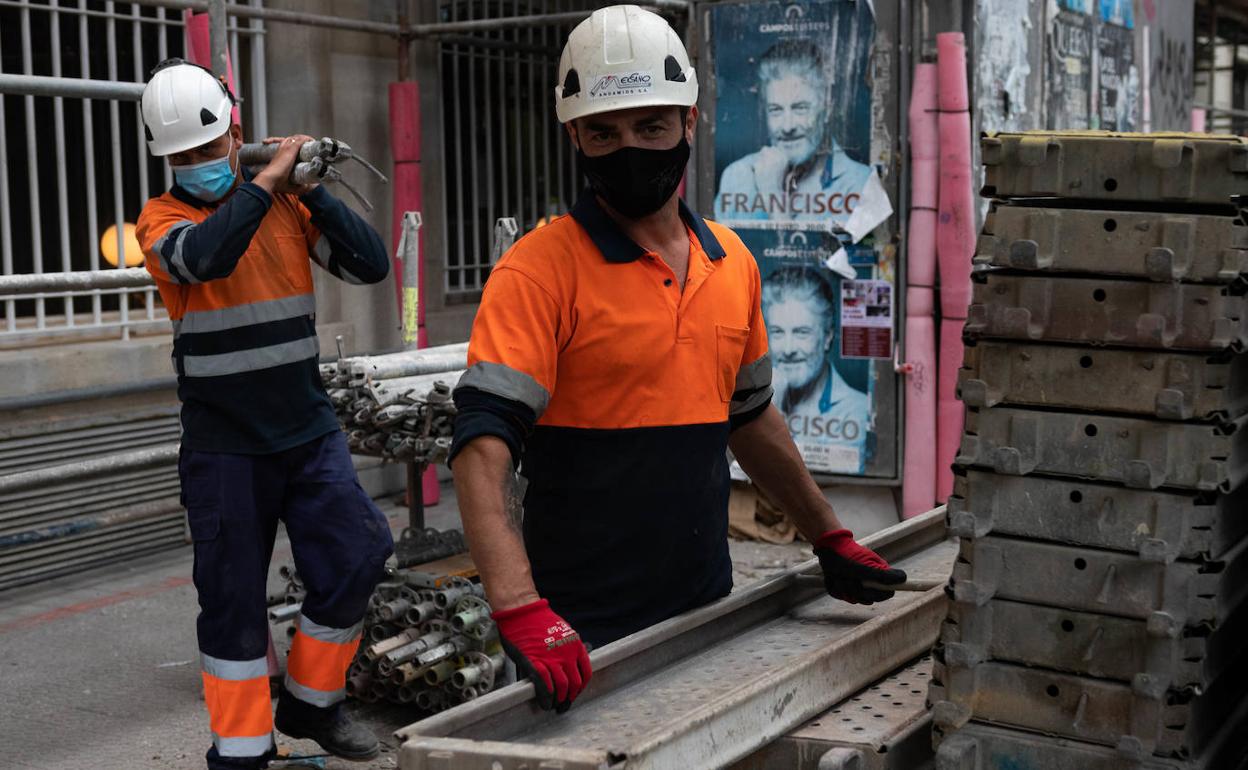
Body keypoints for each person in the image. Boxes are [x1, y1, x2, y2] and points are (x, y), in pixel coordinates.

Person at [450, 4, 905, 715]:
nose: (629, 148)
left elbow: (751, 418)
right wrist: (519, 607)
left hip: (707, 609)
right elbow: (483, 445)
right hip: (579, 633)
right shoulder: (538, 271)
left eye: (651, 126)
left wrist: (830, 534)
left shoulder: (733, 263)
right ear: (574, 135)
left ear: (689, 123)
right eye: (604, 132)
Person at [135, 59, 393, 770]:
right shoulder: (161, 221)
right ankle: (242, 753)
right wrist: (268, 181)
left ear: (235, 133)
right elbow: (208, 259)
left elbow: (370, 266)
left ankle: (312, 705)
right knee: (232, 603)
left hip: (307, 432)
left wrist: (311, 191)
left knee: (359, 553)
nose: (196, 163)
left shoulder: (287, 205)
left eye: (207, 147)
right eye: (181, 156)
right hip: (224, 447)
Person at [714, 39, 872, 223]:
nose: (787, 127)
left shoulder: (860, 183)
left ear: (827, 109)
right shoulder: (737, 176)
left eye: (800, 108)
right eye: (776, 110)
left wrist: (772, 194)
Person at [763, 265, 870, 471]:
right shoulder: (756, 399)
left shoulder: (858, 411)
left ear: (828, 337)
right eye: (777, 332)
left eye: (802, 332)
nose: (788, 349)